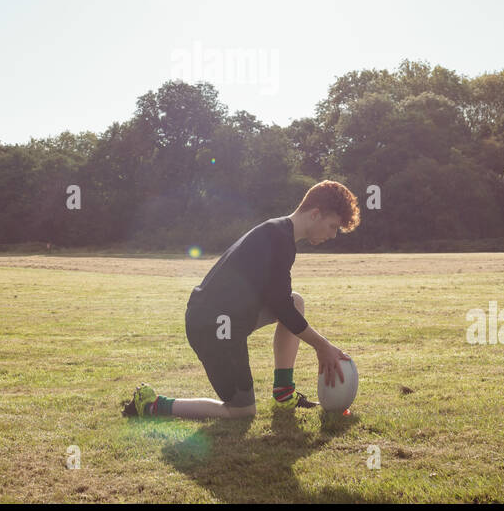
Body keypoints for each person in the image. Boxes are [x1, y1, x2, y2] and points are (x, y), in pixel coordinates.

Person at [122, 180, 360, 419]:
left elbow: (284, 304)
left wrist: (322, 345)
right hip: (211, 327)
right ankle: (152, 405)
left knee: (295, 301)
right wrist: (323, 346)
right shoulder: (277, 237)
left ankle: (284, 394)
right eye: (332, 226)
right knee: (242, 412)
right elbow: (282, 309)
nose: (333, 235)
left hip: (230, 319)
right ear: (315, 214)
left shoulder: (280, 234)